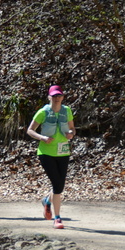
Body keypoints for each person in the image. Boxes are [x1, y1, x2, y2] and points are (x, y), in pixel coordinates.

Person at [26, 85, 75, 229]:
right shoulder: (43, 112)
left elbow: (73, 129)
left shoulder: (67, 111)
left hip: (63, 152)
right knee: (57, 185)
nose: (57, 99)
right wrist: (42, 137)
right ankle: (57, 218)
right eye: (54, 96)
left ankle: (47, 200)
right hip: (46, 153)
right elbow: (30, 130)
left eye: (59, 96)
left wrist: (71, 134)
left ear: (62, 97)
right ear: (49, 97)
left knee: (59, 185)